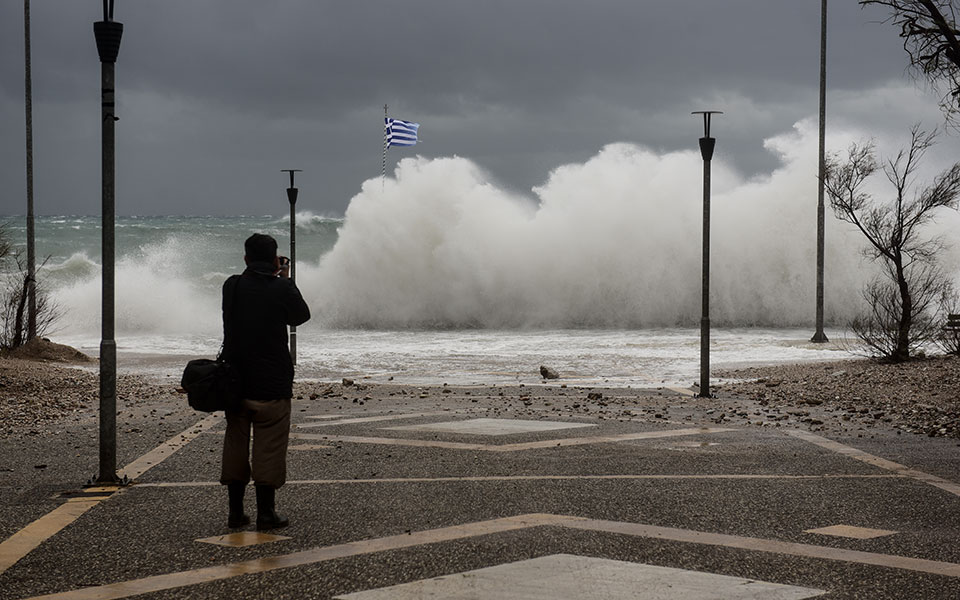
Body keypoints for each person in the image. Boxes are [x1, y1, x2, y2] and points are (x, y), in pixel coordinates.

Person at [220, 233, 310, 530]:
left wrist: (274, 276)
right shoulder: (281, 288)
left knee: (236, 441)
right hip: (272, 382)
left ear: (245, 259)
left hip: (235, 381)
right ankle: (266, 513)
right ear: (275, 260)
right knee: (268, 446)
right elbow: (300, 316)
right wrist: (284, 277)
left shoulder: (231, 286)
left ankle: (235, 513)